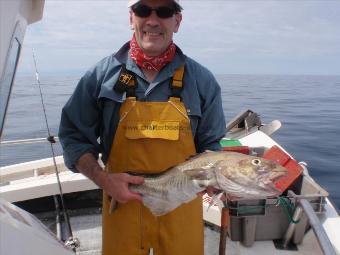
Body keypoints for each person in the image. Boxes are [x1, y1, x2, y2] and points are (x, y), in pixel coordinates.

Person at [59, 0, 226, 254]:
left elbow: (211, 149)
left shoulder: (203, 81)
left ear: (177, 21)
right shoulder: (100, 76)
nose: (152, 20)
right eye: (143, 10)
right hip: (121, 205)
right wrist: (103, 180)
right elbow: (74, 136)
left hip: (181, 207)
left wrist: (225, 181)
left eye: (164, 11)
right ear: (131, 18)